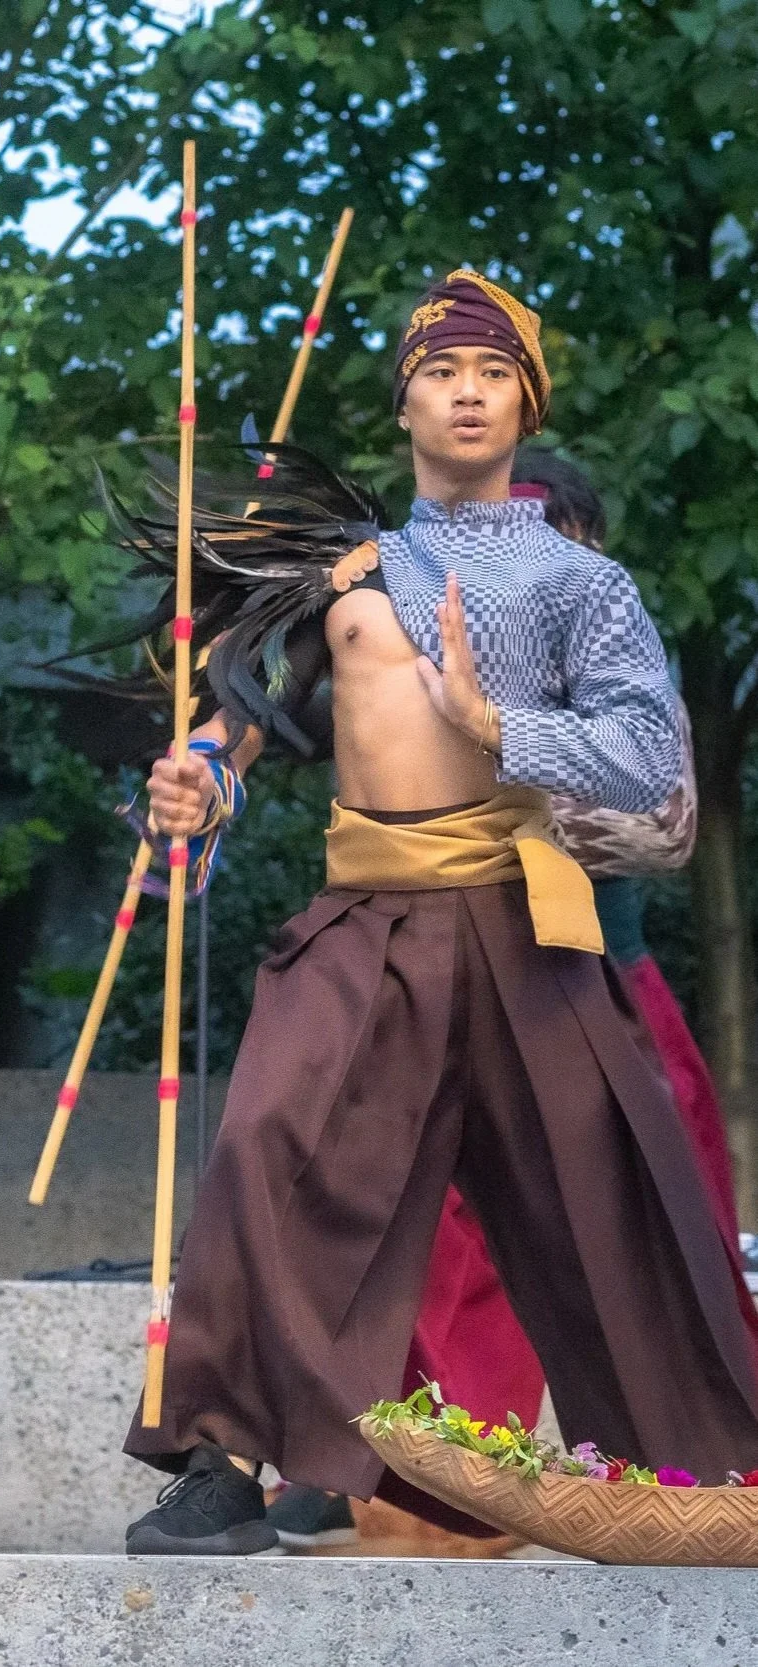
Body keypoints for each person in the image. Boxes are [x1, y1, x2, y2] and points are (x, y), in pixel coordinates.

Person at [113, 269, 758, 1555]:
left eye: (494, 373)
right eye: (441, 371)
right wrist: (197, 778)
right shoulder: (336, 569)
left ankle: (712, 1467)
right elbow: (242, 717)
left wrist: (500, 723)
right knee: (265, 1154)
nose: (467, 392)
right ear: (402, 398)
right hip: (367, 918)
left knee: (610, 1198)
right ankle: (229, 1459)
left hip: (523, 919)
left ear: (527, 401)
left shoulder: (583, 586)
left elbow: (648, 758)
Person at [262, 447, 746, 1551]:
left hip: (593, 995)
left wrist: (503, 781)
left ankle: (693, 1476)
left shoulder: (609, 648)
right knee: (413, 1243)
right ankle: (407, 1481)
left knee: (653, 1257)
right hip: (441, 991)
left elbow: (666, 827)